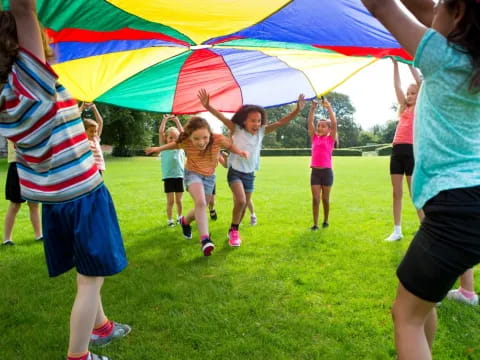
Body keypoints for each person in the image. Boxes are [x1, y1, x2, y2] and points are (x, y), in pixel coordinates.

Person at [0, 2, 130, 360]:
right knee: (91, 280)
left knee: (87, 269)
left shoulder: (5, 100)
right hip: (82, 195)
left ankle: (102, 326)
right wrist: (23, 14)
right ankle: (79, 355)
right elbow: (24, 9)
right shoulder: (31, 82)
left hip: (53, 199)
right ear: (21, 48)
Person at [360, 0, 480, 359]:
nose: (432, 9)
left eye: (441, 5)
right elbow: (430, 13)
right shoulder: (471, 62)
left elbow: (382, 6)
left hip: (454, 208)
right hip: (470, 204)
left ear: (457, 14)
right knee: (420, 303)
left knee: (406, 316)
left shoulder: (443, 58)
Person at [198, 89, 305, 246]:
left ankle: (233, 230)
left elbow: (281, 122)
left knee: (242, 207)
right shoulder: (237, 129)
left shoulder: (262, 132)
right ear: (244, 121)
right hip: (235, 172)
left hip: (250, 175)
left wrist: (296, 110)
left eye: (259, 120)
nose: (256, 124)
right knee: (240, 201)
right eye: (253, 120)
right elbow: (221, 118)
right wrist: (208, 106)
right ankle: (234, 231)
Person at [145, 116, 248, 256]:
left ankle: (185, 222)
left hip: (209, 177)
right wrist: (159, 148)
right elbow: (174, 144)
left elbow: (230, 145)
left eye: (205, 137)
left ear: (210, 134)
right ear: (190, 137)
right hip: (192, 174)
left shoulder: (218, 139)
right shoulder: (185, 141)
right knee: (200, 202)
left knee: (202, 206)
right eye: (196, 139)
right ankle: (205, 240)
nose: (201, 142)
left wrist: (240, 152)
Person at [385, 59, 425, 241]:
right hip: (396, 152)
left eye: (413, 93)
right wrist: (394, 65)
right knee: (396, 192)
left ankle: (425, 228)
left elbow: (420, 83)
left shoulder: (421, 107)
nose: (409, 96)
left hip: (411, 151)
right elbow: (396, 85)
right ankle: (397, 230)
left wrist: (409, 63)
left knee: (414, 192)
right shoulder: (403, 109)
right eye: (408, 94)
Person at [3, 140, 43, 245]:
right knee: (15, 204)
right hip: (17, 165)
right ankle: (7, 239)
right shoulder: (13, 127)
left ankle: (39, 235)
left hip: (31, 165)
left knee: (34, 203)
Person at [307, 97, 337, 231]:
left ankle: (326, 220)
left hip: (327, 173)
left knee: (325, 199)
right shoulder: (314, 138)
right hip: (315, 173)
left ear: (329, 129)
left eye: (323, 125)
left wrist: (328, 107)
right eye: (319, 125)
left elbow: (334, 123)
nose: (320, 127)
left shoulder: (330, 139)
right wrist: (312, 109)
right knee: (315, 198)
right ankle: (315, 224)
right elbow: (309, 123)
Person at [158, 114, 184, 227]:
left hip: (179, 176)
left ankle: (179, 217)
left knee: (179, 200)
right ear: (166, 139)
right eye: (170, 138)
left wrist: (176, 120)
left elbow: (183, 133)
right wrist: (164, 119)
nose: (173, 140)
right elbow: (160, 132)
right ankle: (170, 220)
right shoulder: (164, 147)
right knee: (170, 201)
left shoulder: (181, 146)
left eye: (175, 137)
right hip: (168, 178)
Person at [81, 102, 106, 174]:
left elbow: (100, 122)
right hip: (88, 169)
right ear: (84, 131)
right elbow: (75, 121)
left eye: (95, 131)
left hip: (98, 170)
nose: (94, 133)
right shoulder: (83, 140)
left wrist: (94, 108)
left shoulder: (96, 139)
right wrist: (81, 108)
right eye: (91, 131)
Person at [207, 150, 228, 221]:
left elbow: (225, 165)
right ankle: (200, 216)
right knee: (201, 201)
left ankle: (211, 209)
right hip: (199, 178)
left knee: (212, 201)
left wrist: (225, 157)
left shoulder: (216, 151)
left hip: (211, 178)